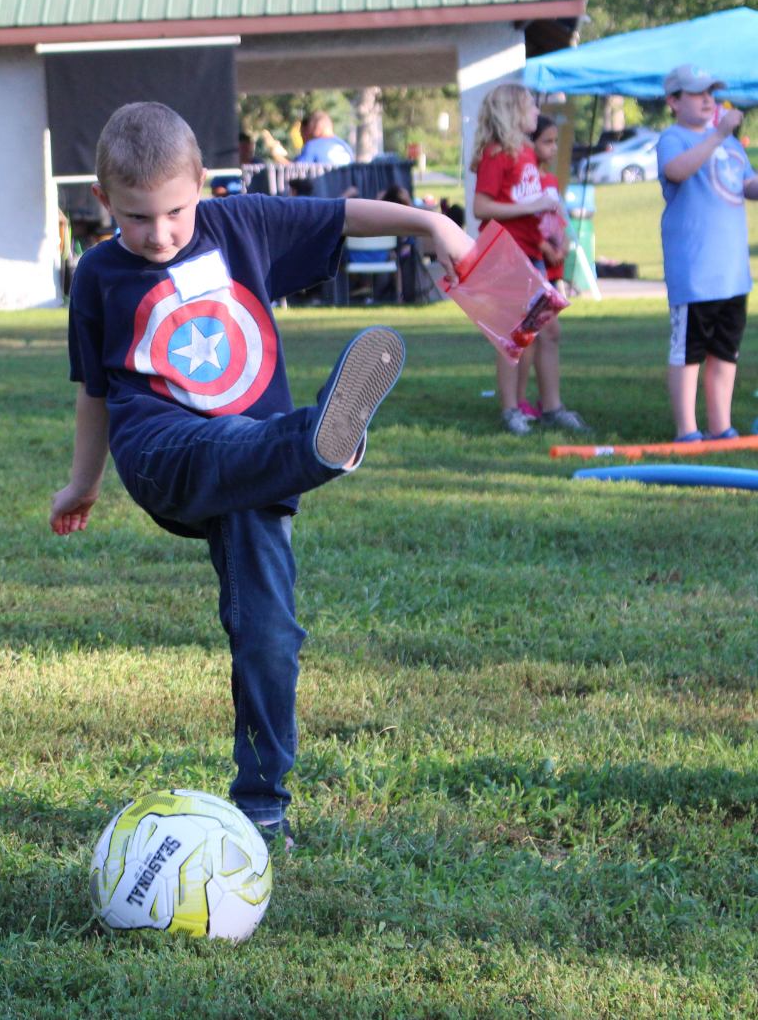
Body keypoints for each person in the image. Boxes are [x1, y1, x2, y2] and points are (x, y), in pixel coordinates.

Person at [49, 102, 473, 847]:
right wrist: (84, 485)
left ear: (204, 187)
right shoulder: (99, 273)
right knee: (225, 445)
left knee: (270, 635)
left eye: (176, 212)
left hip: (257, 465)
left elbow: (341, 213)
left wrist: (433, 225)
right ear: (102, 204)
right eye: (139, 218)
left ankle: (262, 800)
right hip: (163, 448)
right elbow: (93, 395)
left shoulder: (239, 222)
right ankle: (319, 442)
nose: (161, 234)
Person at [471, 84, 588, 434]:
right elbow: (481, 207)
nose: (537, 114)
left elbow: (529, 206)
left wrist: (550, 232)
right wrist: (534, 205)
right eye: (530, 108)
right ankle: (511, 410)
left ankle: (551, 406)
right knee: (516, 334)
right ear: (512, 112)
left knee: (548, 331)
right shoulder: (497, 153)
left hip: (531, 254)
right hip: (506, 257)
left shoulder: (525, 156)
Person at [657, 64, 758, 442]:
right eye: (697, 93)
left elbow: (746, 183)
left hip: (732, 273)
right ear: (673, 101)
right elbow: (678, 171)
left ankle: (721, 426)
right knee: (689, 352)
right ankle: (687, 430)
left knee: (725, 352)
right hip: (695, 273)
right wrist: (717, 134)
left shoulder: (730, 145)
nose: (706, 100)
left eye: (710, 93)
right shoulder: (674, 137)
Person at [514, 115, 572, 419]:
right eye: (546, 141)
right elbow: (521, 224)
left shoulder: (548, 181)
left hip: (544, 264)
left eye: (554, 141)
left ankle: (550, 404)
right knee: (529, 333)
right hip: (528, 259)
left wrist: (561, 244)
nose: (552, 148)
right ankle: (519, 401)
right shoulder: (522, 177)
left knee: (548, 331)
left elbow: (556, 221)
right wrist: (544, 247)